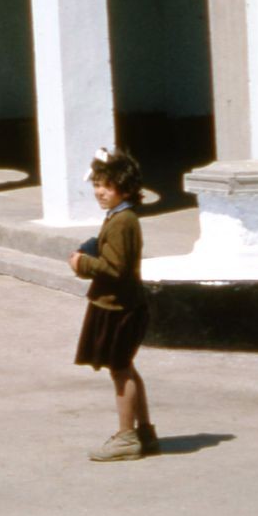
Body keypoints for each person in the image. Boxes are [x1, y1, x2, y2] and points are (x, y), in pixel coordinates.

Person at [69, 148, 156, 462]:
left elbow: (115, 269)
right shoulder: (119, 217)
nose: (99, 192)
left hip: (119, 308)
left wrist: (83, 263)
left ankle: (127, 437)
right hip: (117, 305)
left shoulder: (122, 221)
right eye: (96, 185)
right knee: (126, 368)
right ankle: (144, 431)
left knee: (120, 372)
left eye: (107, 185)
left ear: (126, 187)